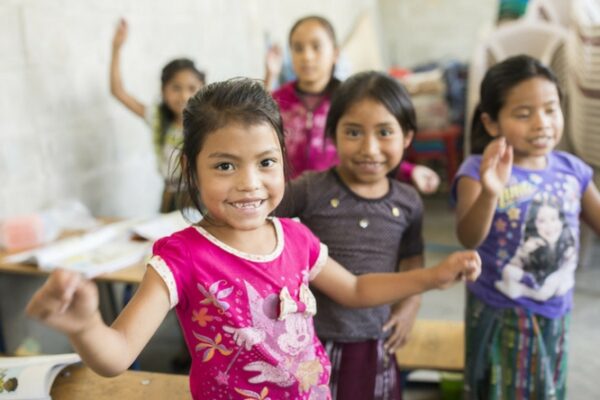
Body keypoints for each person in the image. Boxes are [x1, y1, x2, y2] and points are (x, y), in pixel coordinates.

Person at [26, 78, 480, 400]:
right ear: (191, 170)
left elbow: (358, 289)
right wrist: (85, 327)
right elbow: (117, 356)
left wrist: (431, 277)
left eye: (265, 162)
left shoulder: (296, 238)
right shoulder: (180, 258)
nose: (250, 183)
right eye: (225, 165)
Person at [453, 55, 600, 399]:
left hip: (555, 308)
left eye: (550, 109)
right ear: (491, 123)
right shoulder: (478, 170)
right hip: (500, 310)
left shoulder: (572, 170)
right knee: (499, 388)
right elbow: (468, 236)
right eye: (524, 113)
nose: (542, 123)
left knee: (545, 387)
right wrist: (491, 191)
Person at [276, 71, 428, 399]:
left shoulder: (408, 202)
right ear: (333, 134)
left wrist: (410, 305)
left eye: (385, 132)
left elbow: (412, 257)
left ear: (407, 137)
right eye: (354, 132)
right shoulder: (309, 189)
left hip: (375, 337)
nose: (369, 148)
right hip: (310, 337)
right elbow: (262, 221)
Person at [265, 15, 440, 194]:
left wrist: (411, 171)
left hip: (340, 198)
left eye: (316, 47)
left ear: (335, 53)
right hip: (289, 198)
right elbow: (255, 132)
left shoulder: (350, 99)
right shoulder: (277, 99)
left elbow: (371, 149)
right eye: (298, 48)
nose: (307, 56)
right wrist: (270, 75)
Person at [110, 18, 205, 212]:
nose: (184, 95)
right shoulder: (158, 120)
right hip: (169, 199)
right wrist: (116, 49)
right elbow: (118, 91)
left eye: (191, 88)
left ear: (203, 89)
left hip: (200, 198)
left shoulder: (208, 123)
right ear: (163, 91)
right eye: (176, 88)